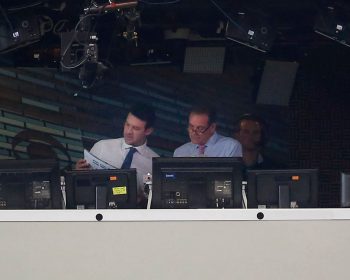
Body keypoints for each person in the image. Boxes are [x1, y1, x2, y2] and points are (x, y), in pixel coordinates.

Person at [75, 103, 159, 204]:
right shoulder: (102, 147)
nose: (128, 131)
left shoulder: (154, 163)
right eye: (127, 124)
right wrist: (77, 174)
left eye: (136, 128)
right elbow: (82, 187)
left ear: (148, 131)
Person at [174, 105, 242, 157]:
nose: (194, 133)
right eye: (191, 127)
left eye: (200, 128)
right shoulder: (180, 152)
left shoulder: (230, 147)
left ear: (212, 127)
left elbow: (232, 175)